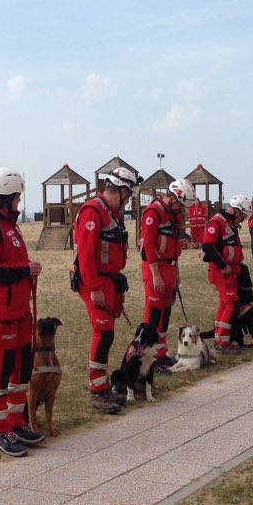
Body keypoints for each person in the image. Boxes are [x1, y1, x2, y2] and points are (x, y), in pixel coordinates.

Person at [0, 168, 47, 457]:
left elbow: (11, 262)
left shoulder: (10, 226)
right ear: (8, 197)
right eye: (18, 197)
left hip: (18, 311)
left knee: (20, 370)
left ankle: (16, 424)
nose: (20, 202)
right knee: (1, 374)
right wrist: (24, 269)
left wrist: (26, 267)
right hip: (0, 313)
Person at [75, 166, 141, 414]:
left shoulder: (111, 213)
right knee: (103, 332)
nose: (130, 200)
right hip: (96, 280)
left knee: (108, 333)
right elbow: (85, 255)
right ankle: (96, 391)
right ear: (122, 190)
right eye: (130, 195)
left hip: (108, 280)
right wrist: (94, 288)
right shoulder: (94, 212)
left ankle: (101, 387)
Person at [140, 178, 196, 373]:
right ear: (173, 198)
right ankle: (147, 359)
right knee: (154, 315)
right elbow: (148, 246)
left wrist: (176, 272)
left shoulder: (173, 215)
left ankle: (161, 356)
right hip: (155, 267)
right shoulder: (153, 213)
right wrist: (156, 276)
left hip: (169, 268)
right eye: (180, 205)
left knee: (165, 313)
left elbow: (174, 247)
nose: (182, 210)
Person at [200, 195, 251, 354]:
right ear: (237, 211)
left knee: (225, 304)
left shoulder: (227, 223)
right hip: (221, 271)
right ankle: (222, 342)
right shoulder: (217, 222)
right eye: (242, 216)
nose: (241, 221)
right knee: (231, 304)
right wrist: (223, 266)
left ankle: (219, 337)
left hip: (229, 271)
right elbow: (207, 246)